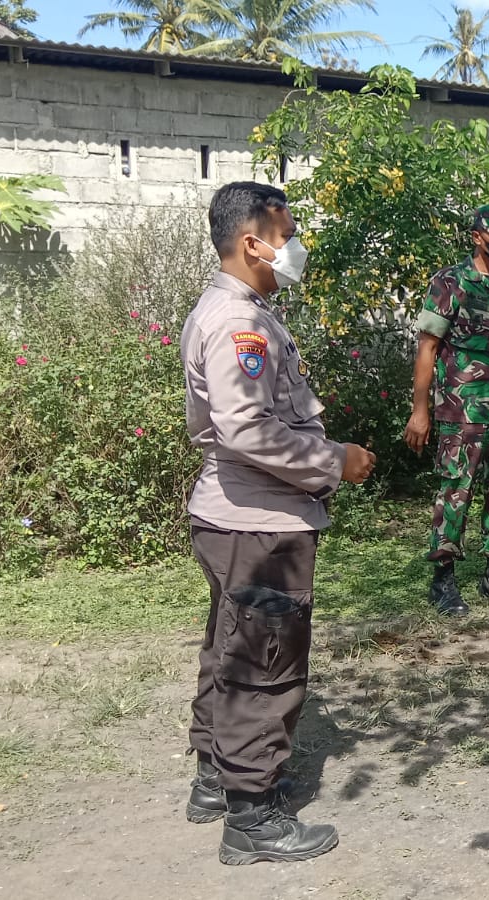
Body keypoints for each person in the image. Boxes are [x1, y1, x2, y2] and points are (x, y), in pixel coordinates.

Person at [181, 181, 375, 865]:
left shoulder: (246, 312)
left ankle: (216, 780)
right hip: (257, 522)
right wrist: (335, 460)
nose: (294, 248)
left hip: (241, 518)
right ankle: (253, 816)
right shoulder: (239, 324)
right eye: (286, 234)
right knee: (264, 662)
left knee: (231, 647)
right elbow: (246, 429)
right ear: (250, 242)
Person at [403, 204, 489, 616]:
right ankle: (442, 579)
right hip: (463, 409)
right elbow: (427, 348)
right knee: (455, 491)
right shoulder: (450, 282)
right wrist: (419, 410)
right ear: (478, 237)